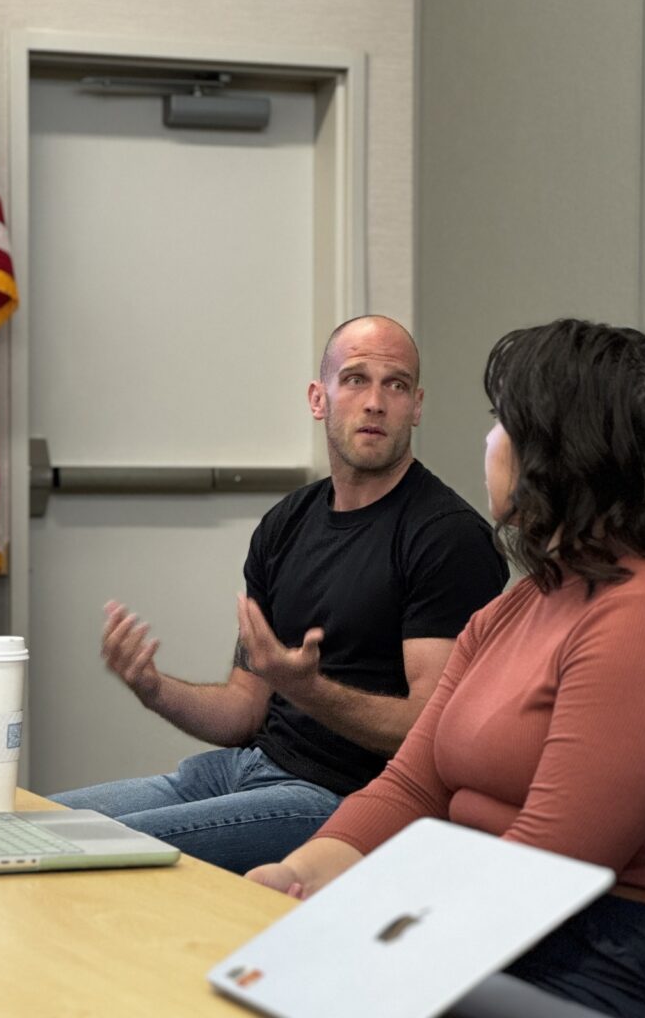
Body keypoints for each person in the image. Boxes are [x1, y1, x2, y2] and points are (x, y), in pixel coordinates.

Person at [247, 318, 645, 1017]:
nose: (488, 441)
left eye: (502, 423)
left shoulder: (631, 618)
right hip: (484, 922)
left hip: (591, 956)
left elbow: (546, 868)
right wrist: (296, 873)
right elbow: (412, 784)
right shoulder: (515, 607)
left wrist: (374, 935)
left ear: (556, 451)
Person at [50, 315, 508, 874]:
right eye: (355, 379)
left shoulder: (447, 537)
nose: (374, 402)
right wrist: (154, 689)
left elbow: (427, 732)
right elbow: (243, 712)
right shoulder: (287, 523)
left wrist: (308, 689)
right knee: (28, 826)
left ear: (416, 406)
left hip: (338, 800)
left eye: (395, 385)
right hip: (245, 768)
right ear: (319, 398)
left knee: (80, 853)